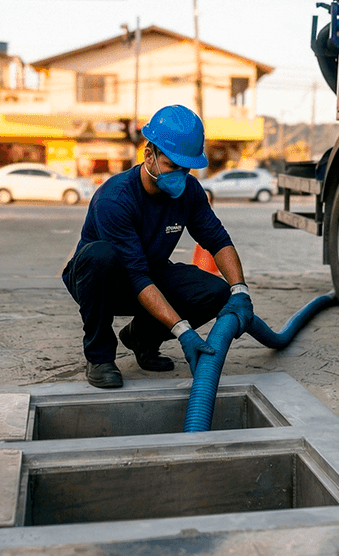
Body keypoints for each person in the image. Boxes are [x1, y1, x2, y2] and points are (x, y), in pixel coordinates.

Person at [61, 105, 254, 389]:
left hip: (148, 272)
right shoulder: (114, 199)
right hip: (102, 281)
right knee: (99, 256)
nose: (180, 174)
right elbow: (134, 275)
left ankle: (142, 338)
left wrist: (240, 290)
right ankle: (99, 358)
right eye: (173, 166)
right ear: (149, 155)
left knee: (216, 292)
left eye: (186, 168)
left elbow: (218, 240)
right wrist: (183, 331)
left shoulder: (189, 191)